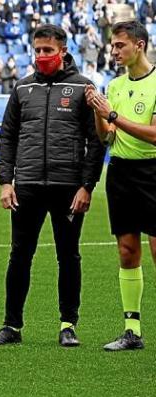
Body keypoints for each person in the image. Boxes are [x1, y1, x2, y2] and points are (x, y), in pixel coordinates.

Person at [0, 24, 105, 347]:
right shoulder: (22, 89)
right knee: (19, 255)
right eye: (37, 50)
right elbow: (7, 137)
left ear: (63, 51)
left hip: (69, 188)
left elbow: (97, 142)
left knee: (68, 257)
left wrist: (87, 186)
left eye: (48, 51)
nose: (41, 56)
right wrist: (5, 182)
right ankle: (12, 326)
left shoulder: (83, 88)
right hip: (27, 187)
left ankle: (68, 325)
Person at [85, 21, 156, 351]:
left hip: (153, 172)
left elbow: (155, 135)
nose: (113, 51)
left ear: (139, 46)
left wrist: (112, 115)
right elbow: (107, 138)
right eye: (112, 46)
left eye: (119, 46)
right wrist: (99, 115)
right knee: (128, 251)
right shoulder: (113, 86)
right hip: (121, 173)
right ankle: (132, 331)